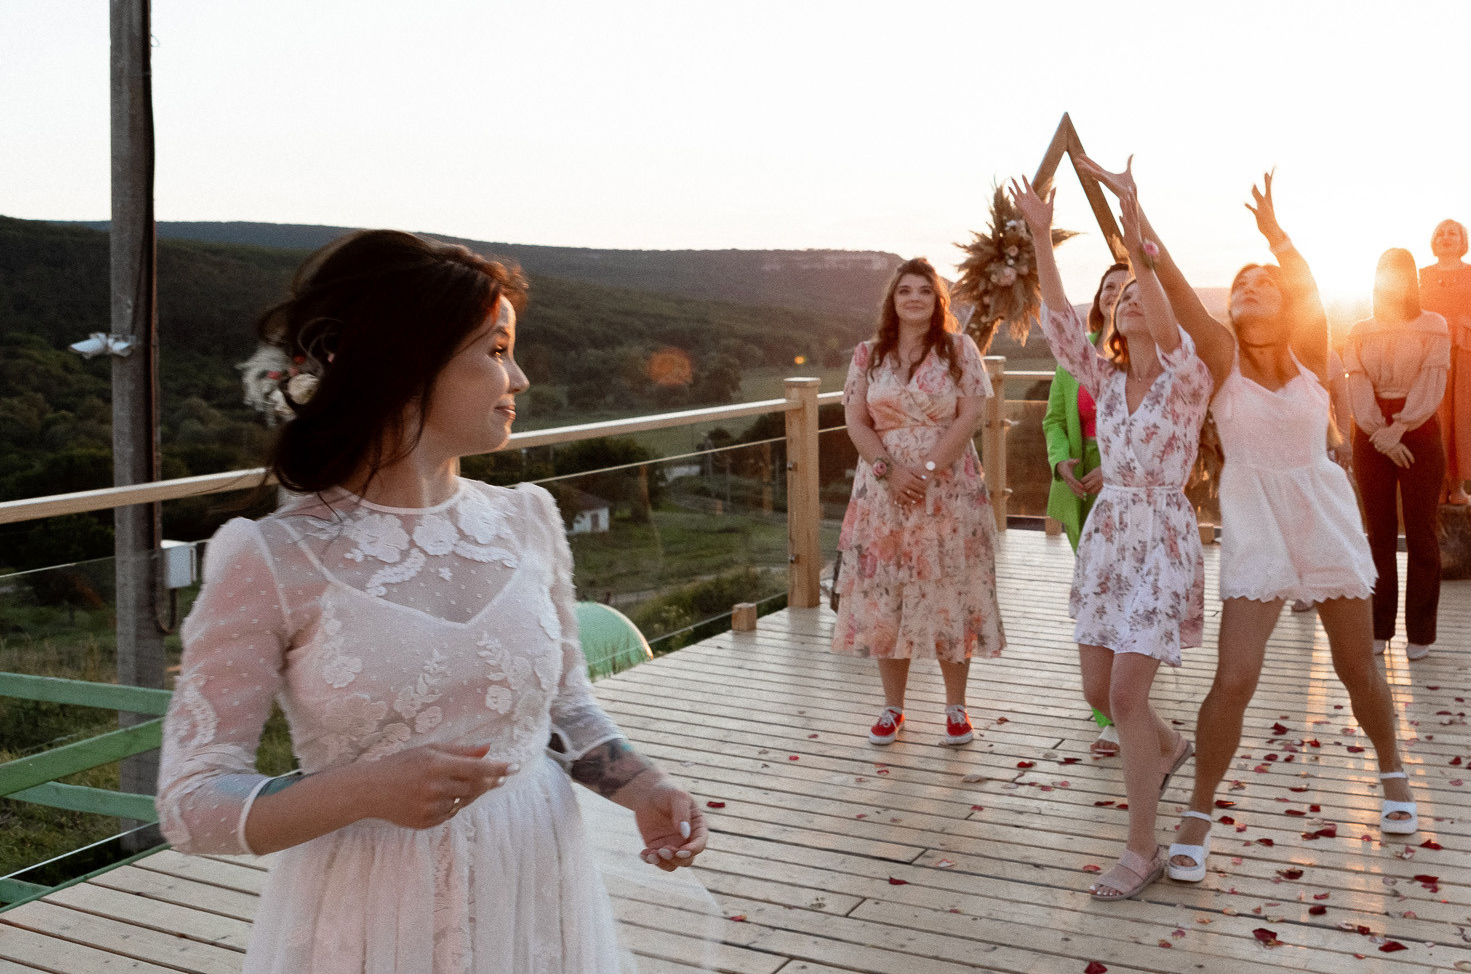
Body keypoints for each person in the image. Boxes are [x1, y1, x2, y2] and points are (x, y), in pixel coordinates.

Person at [154, 231, 711, 973]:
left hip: (537, 879)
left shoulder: (528, 518)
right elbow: (192, 801)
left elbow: (563, 709)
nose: (518, 377)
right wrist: (357, 790)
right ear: (407, 363)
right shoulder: (272, 555)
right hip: (374, 911)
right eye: (496, 349)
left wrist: (646, 784)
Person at [1079, 158, 1419, 887]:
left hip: (1324, 515)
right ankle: (1197, 812)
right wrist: (1134, 213)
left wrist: (1279, 238)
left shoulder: (1310, 355)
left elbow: (1307, 290)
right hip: (1256, 521)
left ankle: (1392, 767)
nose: (1252, 288)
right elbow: (1165, 277)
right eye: (1240, 284)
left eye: (1264, 282)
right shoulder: (1220, 355)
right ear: (1227, 311)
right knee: (1234, 677)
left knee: (1359, 670)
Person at [1011, 177, 1210, 900]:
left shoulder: (1189, 379)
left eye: (1138, 292)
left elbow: (1155, 293)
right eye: (1119, 294)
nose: (1127, 297)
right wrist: (1040, 233)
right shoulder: (1104, 373)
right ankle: (1169, 742)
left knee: (1124, 694)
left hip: (1161, 535)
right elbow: (1063, 320)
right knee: (1101, 688)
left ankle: (1142, 848)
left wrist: (1135, 241)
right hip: (1107, 537)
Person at [833, 257, 1005, 747]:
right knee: (887, 592)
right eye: (904, 290)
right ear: (892, 300)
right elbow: (856, 420)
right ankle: (893, 708)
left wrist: (926, 471)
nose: (913, 298)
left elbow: (970, 414)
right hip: (883, 493)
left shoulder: (959, 350)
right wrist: (889, 472)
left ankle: (956, 707)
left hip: (948, 488)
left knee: (951, 588)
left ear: (937, 302)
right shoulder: (867, 354)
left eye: (924, 291)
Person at [1043, 262, 1132, 756]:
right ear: (1098, 298)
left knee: (1127, 591)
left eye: (1125, 288)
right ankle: (1109, 713)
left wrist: (1117, 468)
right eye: (1108, 287)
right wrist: (1061, 462)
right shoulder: (1074, 356)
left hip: (1130, 481)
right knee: (1099, 594)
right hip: (1081, 482)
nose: (1115, 295)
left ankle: (1123, 707)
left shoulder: (1147, 354)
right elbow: (1055, 418)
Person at [1346, 250, 1452, 659]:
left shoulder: (1434, 326)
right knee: (1379, 535)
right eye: (1384, 275)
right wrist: (1380, 431)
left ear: (1412, 280)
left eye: (1400, 275)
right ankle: (1378, 626)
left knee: (1423, 533)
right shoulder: (1358, 329)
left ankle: (1421, 634)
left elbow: (1432, 381)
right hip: (1371, 432)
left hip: (1419, 429)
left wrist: (1400, 427)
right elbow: (1357, 384)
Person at [1419, 219, 1471, 502]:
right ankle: (1436, 482)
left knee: (1464, 416)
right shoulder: (1421, 275)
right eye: (1440, 232)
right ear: (1433, 241)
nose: (1446, 237)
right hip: (1430, 354)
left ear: (1463, 240)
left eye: (1452, 232)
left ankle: (1458, 485)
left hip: (1468, 356)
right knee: (1434, 415)